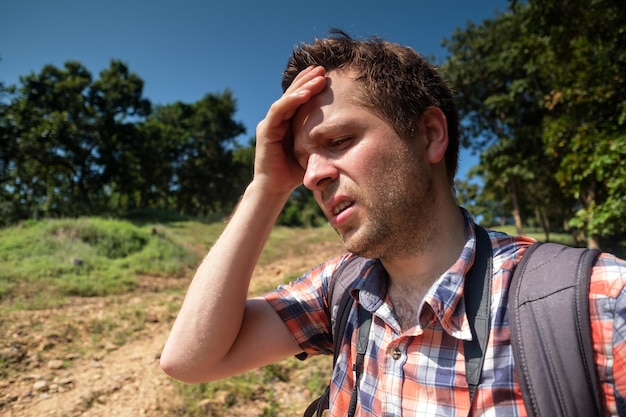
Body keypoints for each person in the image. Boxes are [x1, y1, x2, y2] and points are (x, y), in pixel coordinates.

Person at [160, 29, 626, 416]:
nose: (312, 176)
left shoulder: (596, 303)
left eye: (338, 139)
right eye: (302, 161)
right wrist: (266, 186)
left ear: (430, 135)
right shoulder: (341, 288)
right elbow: (190, 358)